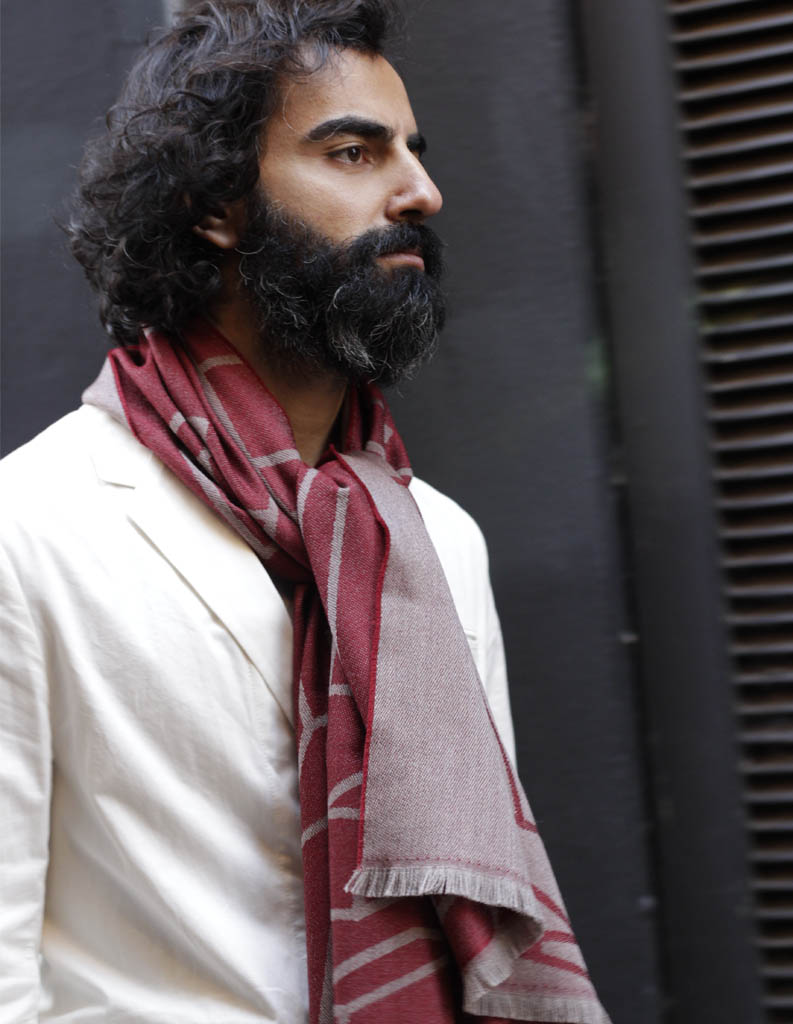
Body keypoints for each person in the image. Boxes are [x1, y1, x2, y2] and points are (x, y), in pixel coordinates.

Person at [0, 2, 609, 1022]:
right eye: (353, 152)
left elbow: (484, 910)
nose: (419, 192)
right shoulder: (31, 526)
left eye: (411, 152)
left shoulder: (435, 538)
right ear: (214, 207)